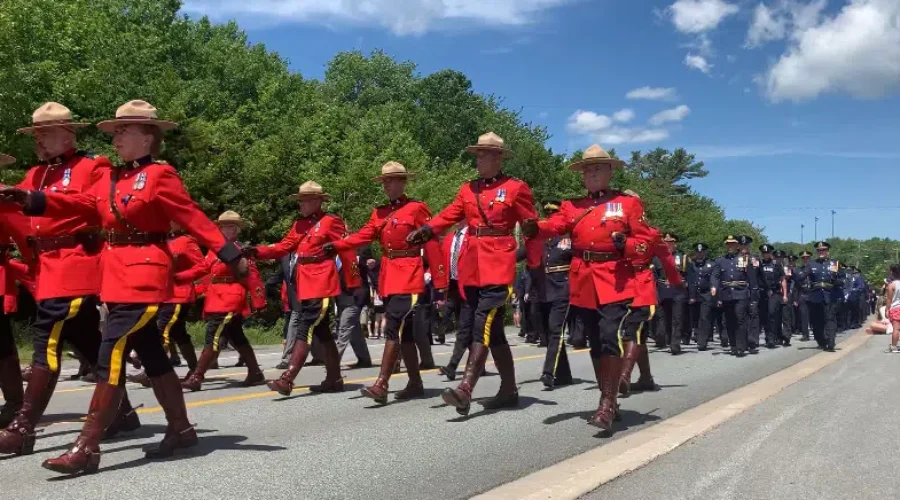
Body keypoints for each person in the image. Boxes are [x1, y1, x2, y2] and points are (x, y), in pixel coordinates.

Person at [0, 100, 249, 474]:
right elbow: (82, 205)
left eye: (122, 131)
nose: (114, 138)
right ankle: (181, 429)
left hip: (146, 276)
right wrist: (33, 198)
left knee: (110, 354)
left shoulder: (161, 176)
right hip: (116, 278)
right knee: (151, 353)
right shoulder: (112, 177)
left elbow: (193, 218)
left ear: (148, 138)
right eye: (114, 131)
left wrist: (231, 255)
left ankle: (86, 447)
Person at [0, 103, 140, 458]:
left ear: (68, 134)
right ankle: (122, 413)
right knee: (89, 346)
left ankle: (22, 427)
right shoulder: (35, 174)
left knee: (45, 342)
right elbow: (15, 207)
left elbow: (94, 205)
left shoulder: (94, 166)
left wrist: (39, 200)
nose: (39, 142)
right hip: (49, 268)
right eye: (36, 135)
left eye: (45, 134)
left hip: (75, 265)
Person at [408, 132, 542, 416]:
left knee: (482, 324)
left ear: (498, 157)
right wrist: (428, 229)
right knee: (494, 336)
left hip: (498, 264)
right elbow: (450, 214)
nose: (478, 160)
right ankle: (509, 390)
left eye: (484, 155)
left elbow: (532, 227)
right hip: (471, 267)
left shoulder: (516, 188)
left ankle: (465, 389)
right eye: (477, 155)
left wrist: (534, 263)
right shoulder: (468, 189)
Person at [528, 144, 653, 433]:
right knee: (595, 341)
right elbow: (555, 225)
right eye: (588, 169)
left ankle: (607, 403)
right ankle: (609, 400)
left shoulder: (628, 204)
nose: (593, 173)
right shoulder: (572, 206)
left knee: (611, 335)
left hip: (616, 278)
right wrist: (536, 228)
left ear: (610, 171)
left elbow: (645, 243)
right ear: (582, 175)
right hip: (583, 279)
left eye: (598, 167)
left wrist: (628, 244)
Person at [327, 161, 448, 404]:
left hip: (411, 274)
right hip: (389, 275)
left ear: (403, 182)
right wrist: (337, 245)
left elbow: (432, 244)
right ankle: (415, 383)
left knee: (393, 326)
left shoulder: (417, 208)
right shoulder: (379, 213)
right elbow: (363, 235)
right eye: (384, 181)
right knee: (406, 336)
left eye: (392, 180)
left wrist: (441, 280)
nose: (387, 185)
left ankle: (382, 383)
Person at [246, 181, 360, 396]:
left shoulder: (331, 221)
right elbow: (284, 246)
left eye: (305, 200)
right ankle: (335, 379)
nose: (301, 204)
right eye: (300, 200)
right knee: (323, 333)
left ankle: (287, 378)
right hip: (305, 282)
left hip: (322, 281)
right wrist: (257, 251)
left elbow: (347, 249)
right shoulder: (299, 224)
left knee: (305, 327)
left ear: (317, 201)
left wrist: (353, 281)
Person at [182, 211, 266, 391]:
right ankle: (255, 372)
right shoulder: (215, 250)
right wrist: (179, 277)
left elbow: (252, 276)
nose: (225, 229)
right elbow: (202, 268)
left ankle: (197, 376)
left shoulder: (239, 250)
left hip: (230, 297)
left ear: (236, 229)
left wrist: (259, 300)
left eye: (229, 226)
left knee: (213, 336)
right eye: (222, 226)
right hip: (216, 297)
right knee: (236, 336)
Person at [128, 222, 206, 386]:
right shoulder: (160, 241)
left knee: (162, 331)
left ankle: (151, 373)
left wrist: (182, 277)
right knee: (178, 334)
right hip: (163, 294)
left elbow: (202, 266)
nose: (169, 224)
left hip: (179, 294)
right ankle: (195, 371)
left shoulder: (186, 241)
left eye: (173, 221)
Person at [620, 204, 680, 397]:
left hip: (641, 287)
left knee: (633, 331)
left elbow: (667, 258)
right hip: (616, 287)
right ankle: (646, 378)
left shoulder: (651, 234)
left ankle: (624, 376)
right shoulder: (611, 233)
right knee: (639, 335)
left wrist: (675, 281)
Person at [532, 200, 574, 389]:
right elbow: (520, 253)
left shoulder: (568, 239)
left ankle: (548, 372)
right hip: (543, 289)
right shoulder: (540, 240)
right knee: (549, 332)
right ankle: (564, 374)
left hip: (563, 287)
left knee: (555, 329)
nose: (550, 218)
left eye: (554, 215)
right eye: (548, 215)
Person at [711, 235, 759, 357]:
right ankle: (733, 345)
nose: (730, 246)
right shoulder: (720, 261)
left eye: (732, 244)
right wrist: (713, 286)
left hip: (741, 292)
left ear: (737, 245)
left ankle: (741, 346)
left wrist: (753, 297)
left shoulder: (744, 259)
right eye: (728, 244)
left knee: (740, 318)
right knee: (729, 320)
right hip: (726, 293)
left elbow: (752, 279)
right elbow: (715, 275)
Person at [333, 249, 373, 369]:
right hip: (341, 298)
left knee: (344, 328)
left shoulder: (357, 254)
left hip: (355, 298)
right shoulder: (334, 257)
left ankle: (333, 362)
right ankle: (364, 359)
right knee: (354, 332)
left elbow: (368, 263)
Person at [654, 233, 690, 354]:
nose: (668, 244)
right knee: (665, 319)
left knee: (677, 318)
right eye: (666, 242)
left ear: (675, 243)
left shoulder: (682, 257)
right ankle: (668, 340)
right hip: (663, 291)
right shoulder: (657, 258)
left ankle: (675, 344)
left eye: (671, 242)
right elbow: (654, 276)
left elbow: (690, 276)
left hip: (678, 291)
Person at [806, 241, 840, 352]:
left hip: (829, 294)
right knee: (816, 322)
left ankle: (830, 342)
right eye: (819, 250)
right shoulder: (811, 264)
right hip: (815, 295)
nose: (821, 252)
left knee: (830, 319)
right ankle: (822, 341)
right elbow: (801, 276)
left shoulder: (834, 263)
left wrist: (838, 282)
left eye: (823, 250)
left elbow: (840, 277)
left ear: (827, 251)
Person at [689, 243, 720, 350]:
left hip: (706, 294)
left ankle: (703, 341)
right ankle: (697, 335)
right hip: (694, 294)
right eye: (698, 252)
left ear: (705, 252)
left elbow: (714, 278)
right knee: (695, 317)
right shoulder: (691, 264)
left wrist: (713, 287)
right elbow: (690, 279)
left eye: (701, 252)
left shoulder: (711, 264)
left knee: (705, 317)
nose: (699, 254)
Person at [756, 244, 787, 348]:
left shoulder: (776, 264)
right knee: (764, 316)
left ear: (770, 253)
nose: (765, 254)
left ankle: (772, 338)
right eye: (763, 253)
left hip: (774, 293)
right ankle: (768, 337)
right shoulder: (758, 263)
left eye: (767, 252)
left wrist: (785, 294)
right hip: (762, 293)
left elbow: (783, 279)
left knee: (772, 314)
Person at [793, 250, 812, 340]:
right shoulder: (798, 270)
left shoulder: (814, 268)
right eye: (803, 258)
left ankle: (818, 333)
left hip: (813, 294)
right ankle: (805, 334)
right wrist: (795, 298)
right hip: (803, 294)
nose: (805, 259)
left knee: (816, 315)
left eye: (807, 258)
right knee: (804, 316)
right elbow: (796, 285)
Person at [883, 264, 900, 352]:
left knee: (896, 329)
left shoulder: (892, 285)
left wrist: (887, 309)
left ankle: (894, 346)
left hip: (896, 308)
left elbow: (889, 299)